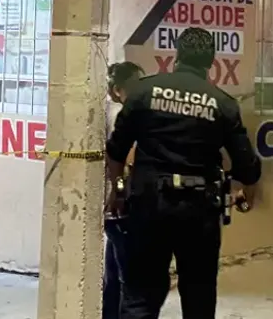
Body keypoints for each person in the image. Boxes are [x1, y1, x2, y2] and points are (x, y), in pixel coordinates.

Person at [106, 28, 262, 319]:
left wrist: (118, 190)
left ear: (177, 55)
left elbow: (116, 150)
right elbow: (247, 163)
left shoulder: (143, 92)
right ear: (211, 62)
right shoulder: (223, 104)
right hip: (199, 211)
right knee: (199, 294)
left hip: (148, 205)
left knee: (140, 297)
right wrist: (246, 193)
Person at [104, 60, 145, 319]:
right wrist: (119, 191)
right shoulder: (122, 114)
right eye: (135, 84)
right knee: (127, 277)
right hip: (124, 202)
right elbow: (126, 160)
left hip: (117, 203)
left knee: (113, 273)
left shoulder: (115, 111)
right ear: (118, 89)